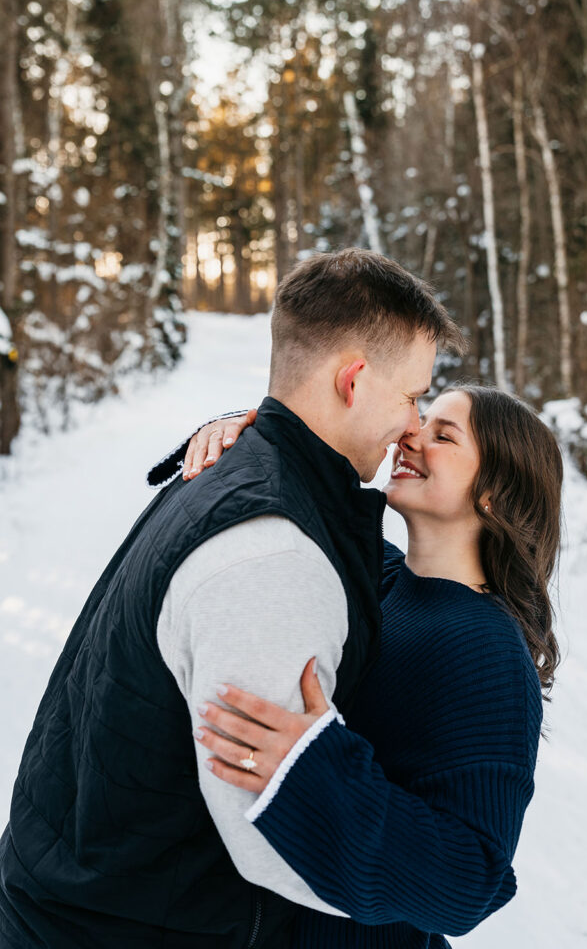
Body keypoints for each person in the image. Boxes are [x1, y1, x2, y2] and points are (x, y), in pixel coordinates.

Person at [0, 248, 464, 949]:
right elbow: (271, 832)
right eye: (409, 396)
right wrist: (448, 884)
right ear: (352, 380)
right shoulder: (273, 555)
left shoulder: (244, 473)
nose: (413, 423)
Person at [178, 383, 562, 948]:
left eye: (443, 436)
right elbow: (309, 493)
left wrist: (312, 771)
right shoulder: (379, 573)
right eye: (421, 422)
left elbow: (469, 881)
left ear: (493, 494)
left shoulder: (487, 650)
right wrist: (251, 431)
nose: (411, 436)